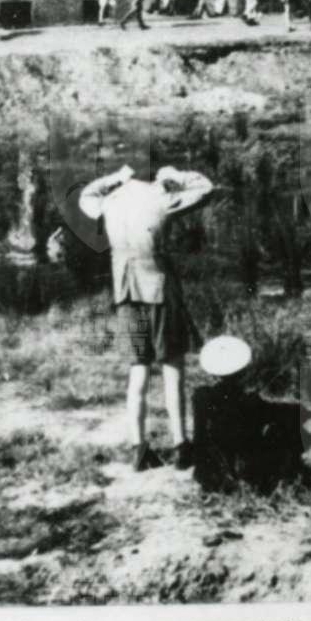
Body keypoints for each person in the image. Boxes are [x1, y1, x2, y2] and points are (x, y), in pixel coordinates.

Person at [77, 161, 219, 471]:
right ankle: (181, 446)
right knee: (172, 367)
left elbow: (86, 195)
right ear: (153, 171)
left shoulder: (111, 200)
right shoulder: (161, 196)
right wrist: (172, 175)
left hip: (125, 292)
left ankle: (139, 449)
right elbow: (205, 187)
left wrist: (115, 178)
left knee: (138, 367)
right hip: (159, 289)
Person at [188, 334, 308, 494]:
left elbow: (199, 437)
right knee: (286, 427)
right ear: (244, 370)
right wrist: (301, 410)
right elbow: (279, 413)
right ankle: (292, 474)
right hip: (247, 475)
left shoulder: (200, 397)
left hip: (212, 477)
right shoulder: (249, 401)